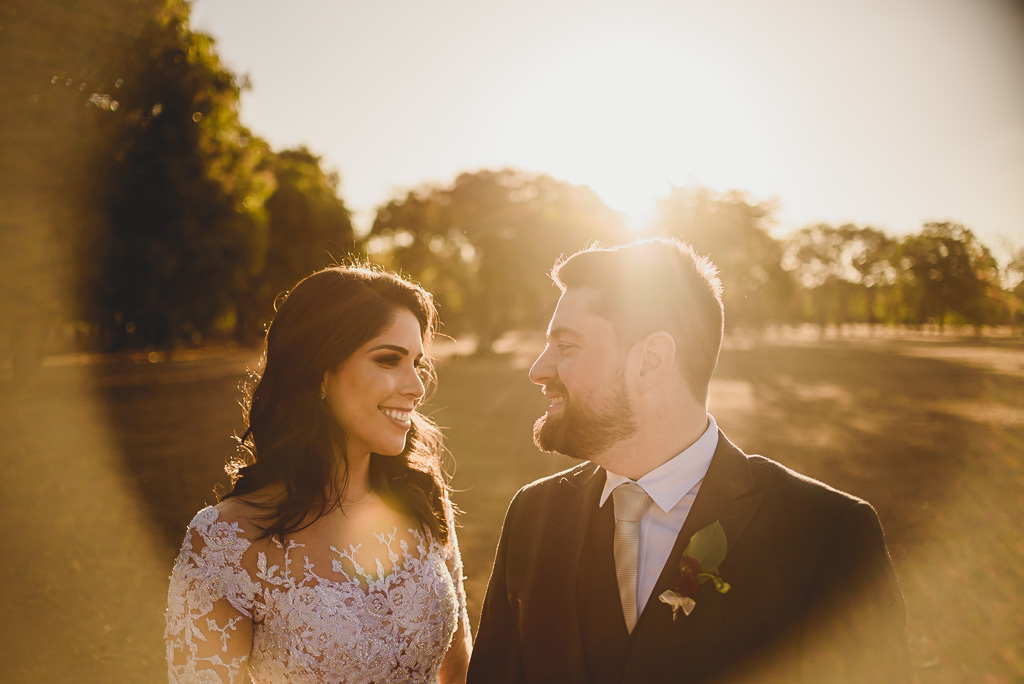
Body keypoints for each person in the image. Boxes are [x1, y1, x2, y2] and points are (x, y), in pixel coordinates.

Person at [468, 238, 912, 683]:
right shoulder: (532, 515)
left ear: (650, 361)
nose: (538, 370)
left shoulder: (827, 533)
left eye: (566, 347)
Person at [165, 265, 471, 683]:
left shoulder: (421, 500)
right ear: (320, 372)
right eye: (389, 360)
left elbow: (459, 669)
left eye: (417, 363)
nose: (416, 386)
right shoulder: (225, 541)